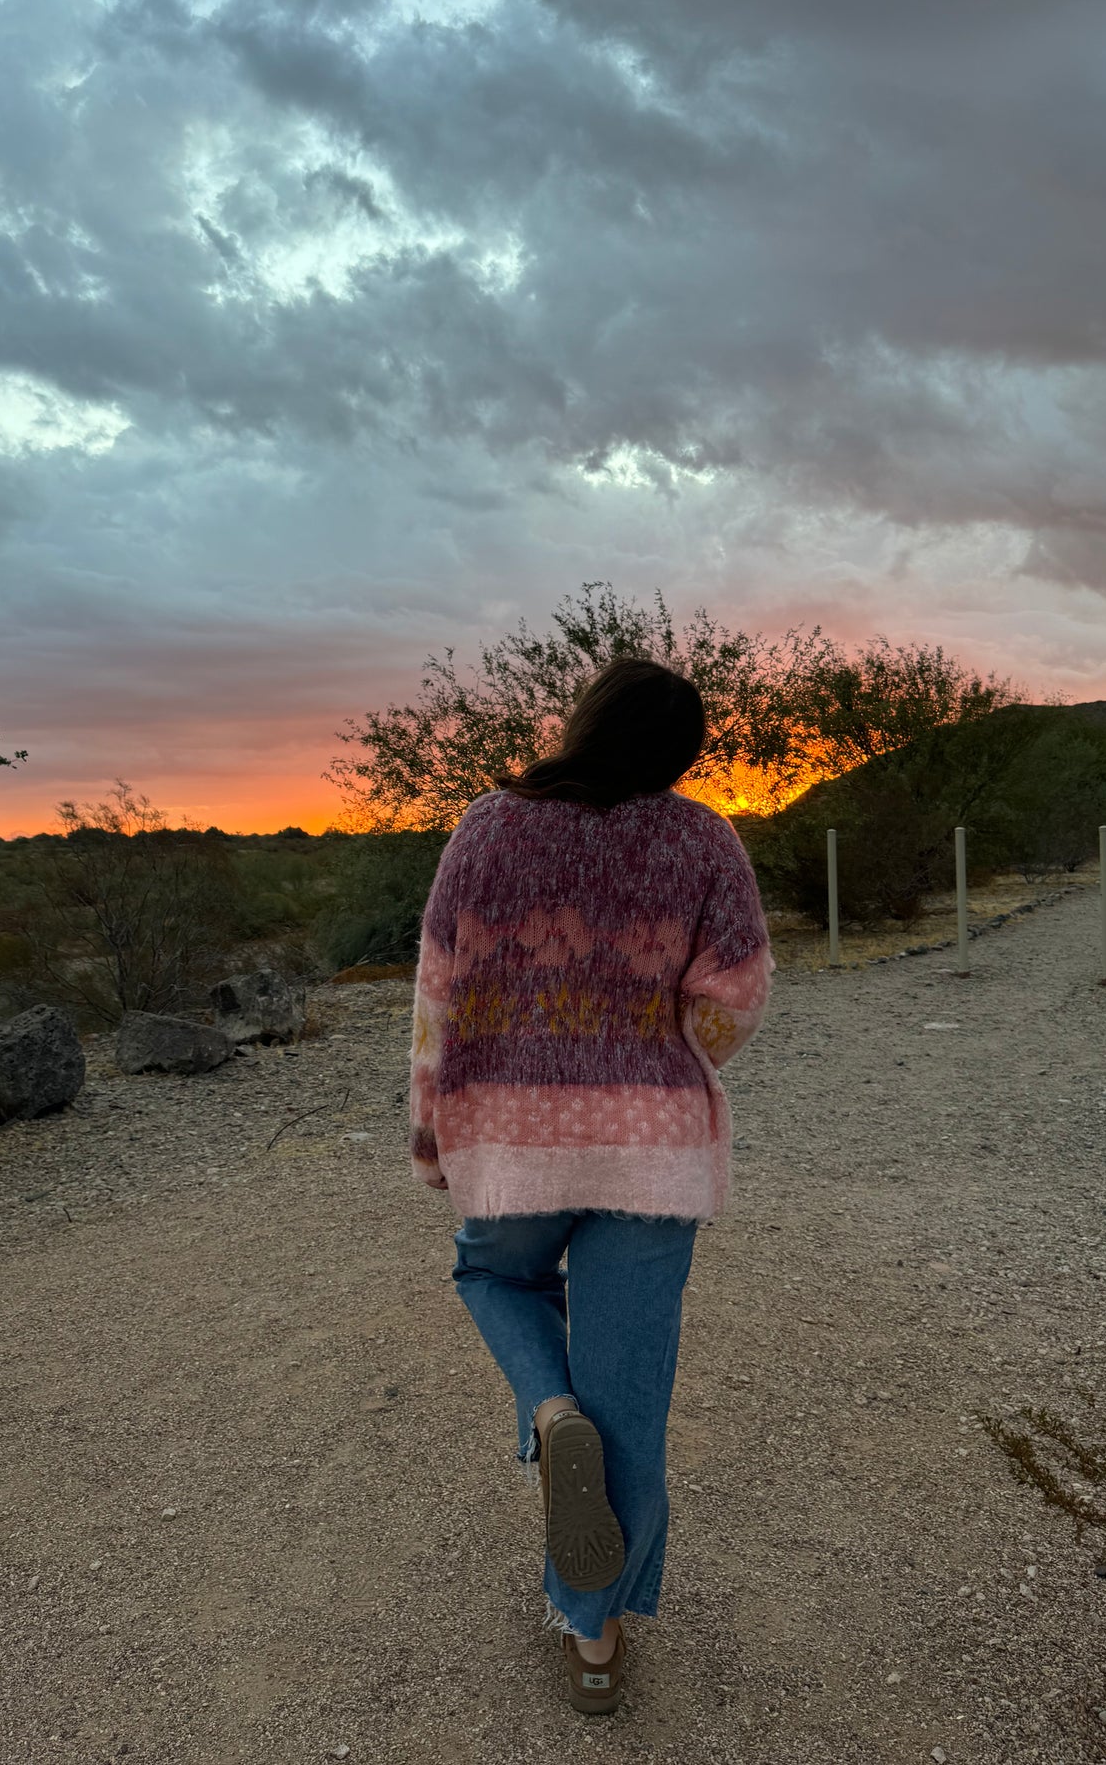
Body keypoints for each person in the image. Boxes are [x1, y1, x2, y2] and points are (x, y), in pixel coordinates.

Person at [408, 655, 773, 1716]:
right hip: (649, 1149)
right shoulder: (703, 838)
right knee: (634, 1402)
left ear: (584, 723)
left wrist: (432, 1134)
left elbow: (439, 990)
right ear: (681, 750)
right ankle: (595, 1633)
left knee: (494, 1282)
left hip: (511, 1139)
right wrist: (663, 1047)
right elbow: (732, 1001)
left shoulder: (486, 828)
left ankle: (546, 1403)